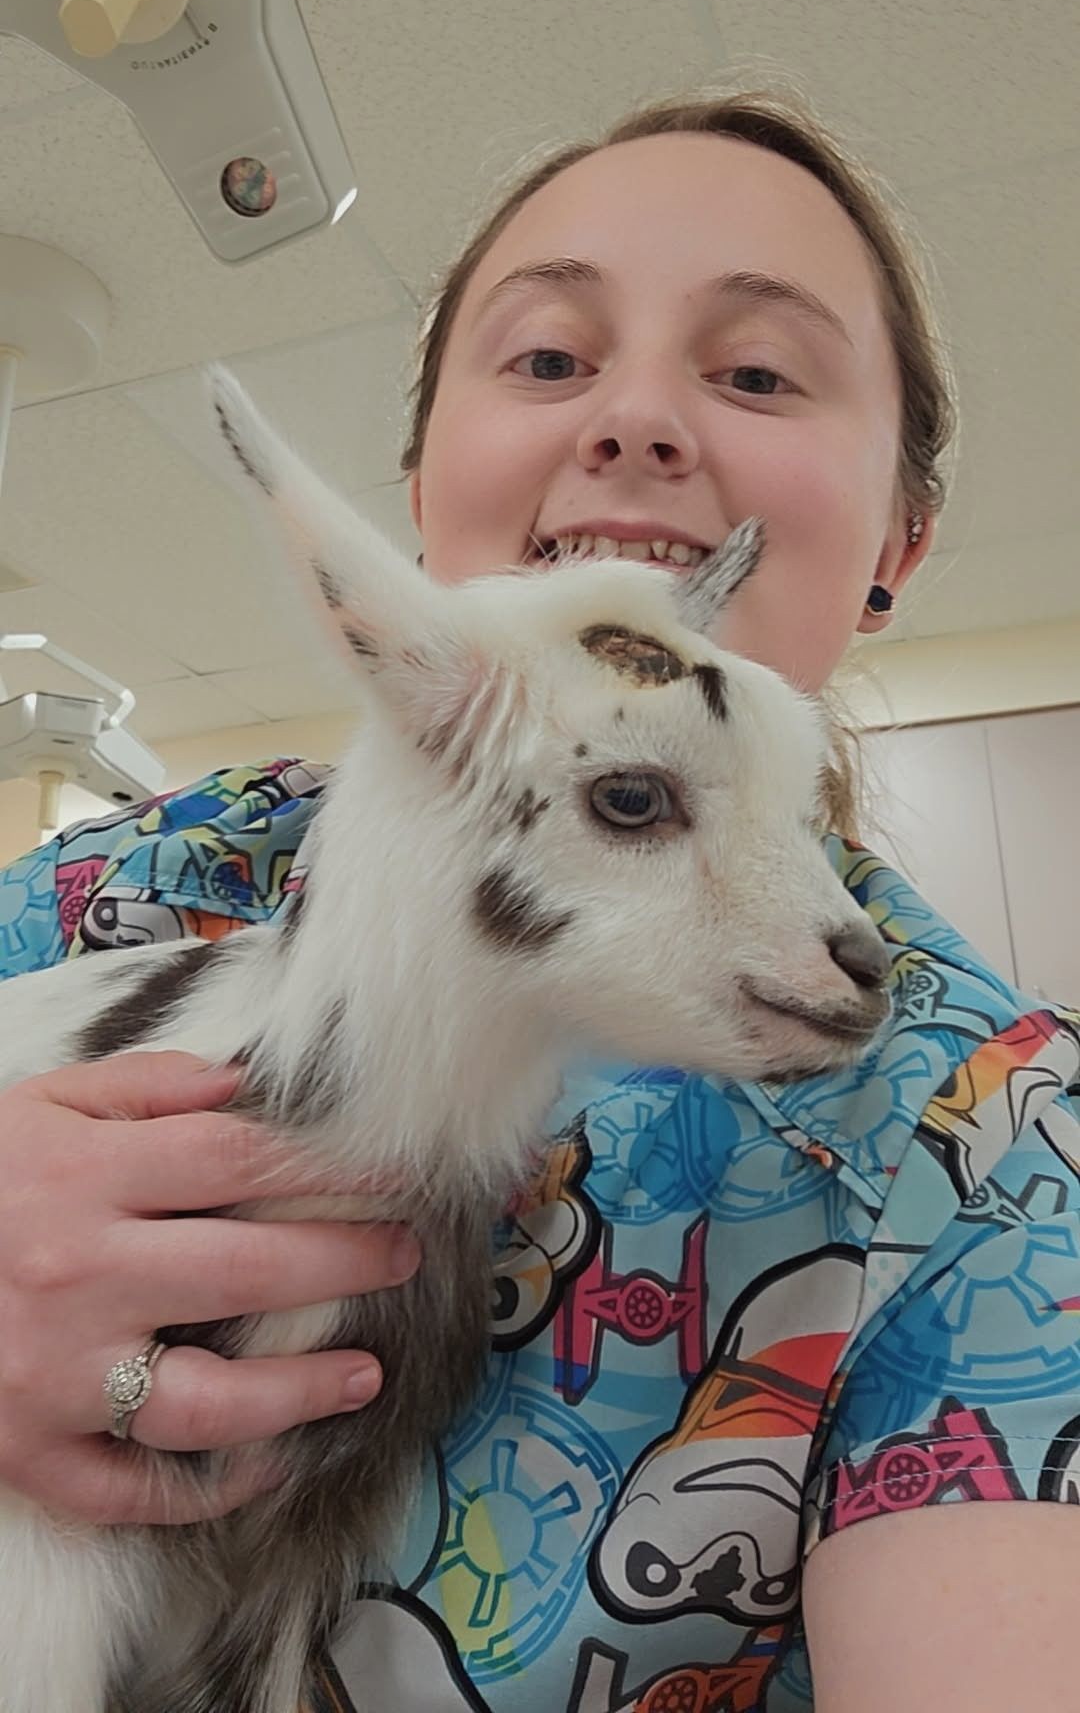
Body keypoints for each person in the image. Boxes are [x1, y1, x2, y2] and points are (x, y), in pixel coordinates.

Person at [1, 90, 1079, 1713]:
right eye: (552, 360)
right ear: (421, 484)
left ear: (900, 543)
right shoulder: (119, 891)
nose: (638, 420)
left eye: (760, 371)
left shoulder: (992, 1150)